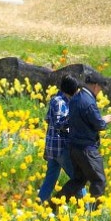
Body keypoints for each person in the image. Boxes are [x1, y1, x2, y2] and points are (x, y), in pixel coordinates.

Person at [55, 71, 111, 203]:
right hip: (87, 150)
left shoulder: (76, 98)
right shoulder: (88, 102)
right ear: (95, 86)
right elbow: (99, 124)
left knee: (78, 181)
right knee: (99, 180)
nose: (100, 92)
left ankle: (55, 203)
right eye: (100, 88)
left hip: (74, 148)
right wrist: (104, 120)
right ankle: (94, 214)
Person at [38, 75, 80, 203]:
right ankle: (87, 207)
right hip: (61, 147)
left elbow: (47, 119)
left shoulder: (57, 100)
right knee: (78, 178)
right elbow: (59, 123)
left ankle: (40, 204)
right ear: (72, 89)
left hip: (52, 147)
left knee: (50, 178)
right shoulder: (60, 101)